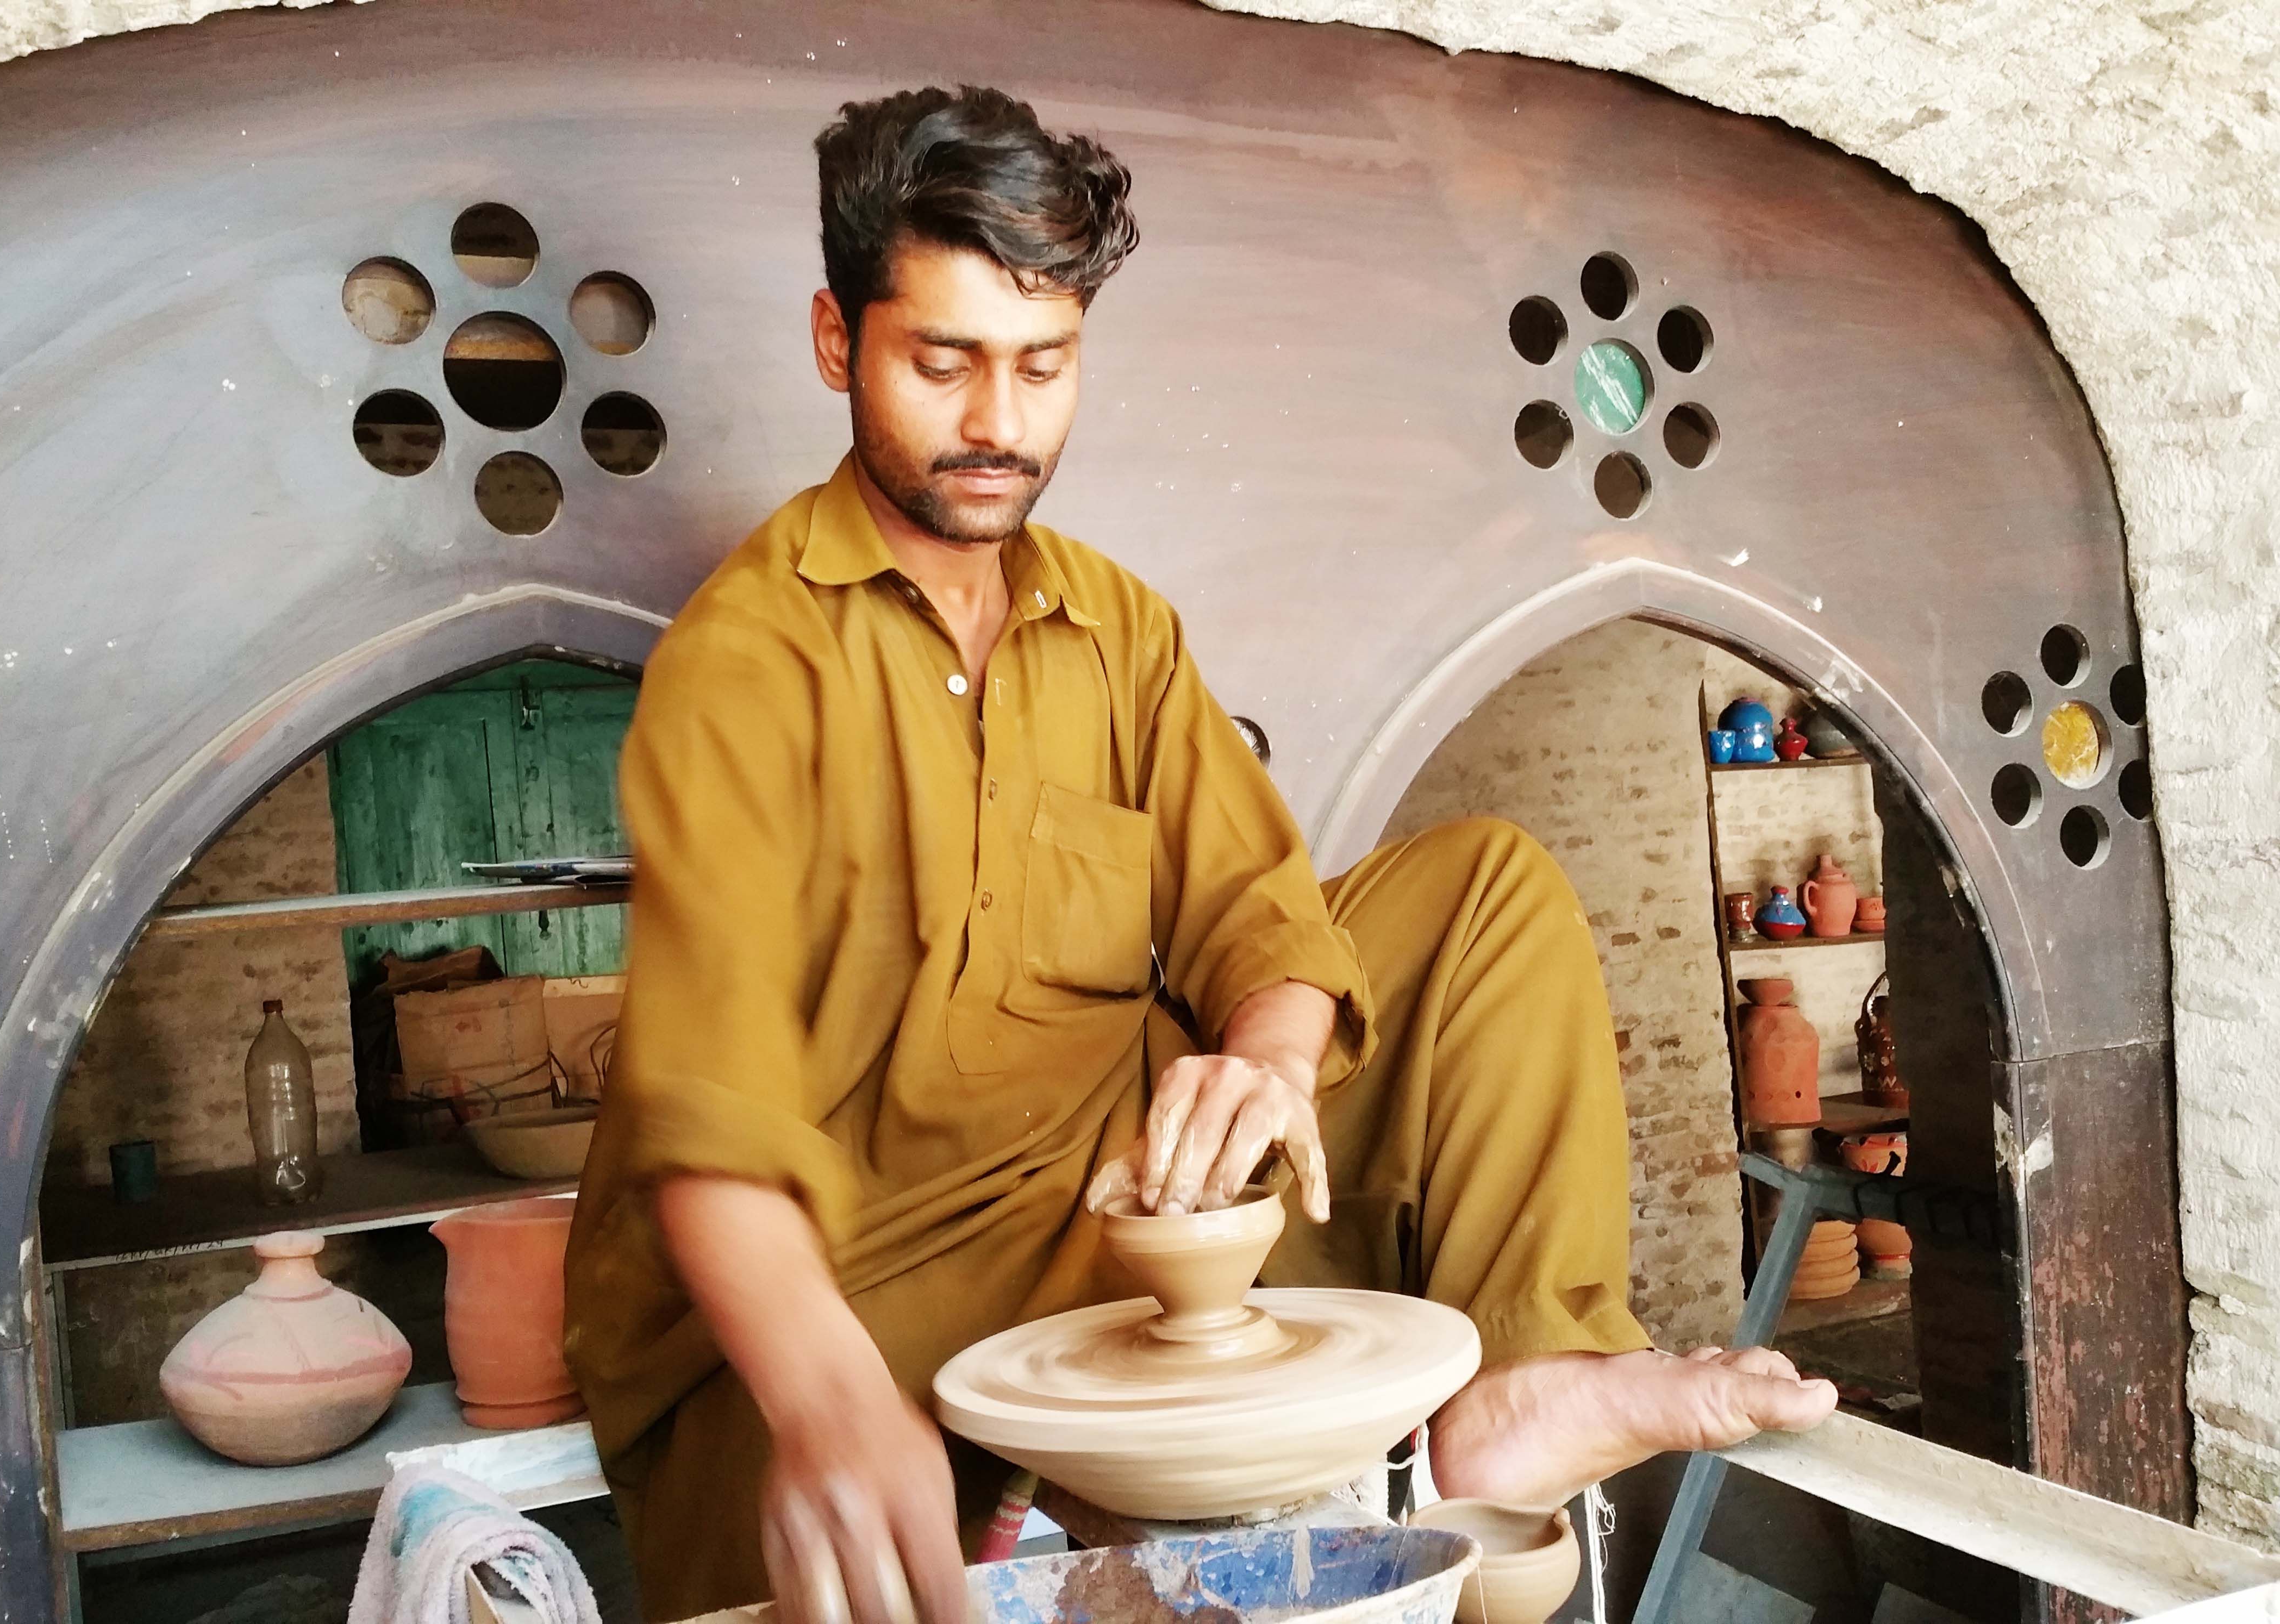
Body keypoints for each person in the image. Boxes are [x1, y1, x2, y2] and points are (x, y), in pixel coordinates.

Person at [562, 84, 1837, 1624]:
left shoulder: (1114, 624)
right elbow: (707, 1122)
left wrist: (1270, 1064)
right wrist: (827, 1400)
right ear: (839, 343)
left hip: (1117, 1201)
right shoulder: (748, 663)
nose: (998, 422)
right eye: (941, 360)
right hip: (836, 1281)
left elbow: (1265, 916)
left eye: (1044, 364)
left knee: (1487, 892)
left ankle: (1521, 1379)